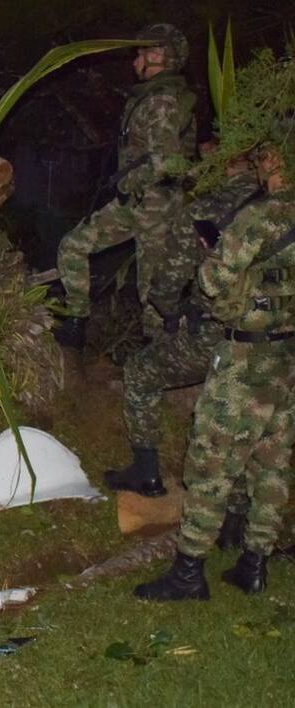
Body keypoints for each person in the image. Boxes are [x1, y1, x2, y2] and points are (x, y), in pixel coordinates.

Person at [135, 141, 295, 601]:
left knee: (209, 464)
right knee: (272, 463)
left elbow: (212, 281)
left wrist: (210, 254)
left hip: (246, 359)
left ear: (272, 160)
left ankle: (189, 572)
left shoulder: (261, 215)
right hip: (287, 359)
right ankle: (254, 563)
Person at [55, 24, 196, 347]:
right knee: (74, 245)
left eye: (141, 54)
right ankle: (76, 320)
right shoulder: (150, 98)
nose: (135, 62)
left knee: (153, 293)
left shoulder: (163, 102)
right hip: (137, 201)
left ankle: (155, 366)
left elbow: (168, 161)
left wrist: (127, 181)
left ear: (160, 56)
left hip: (158, 206)